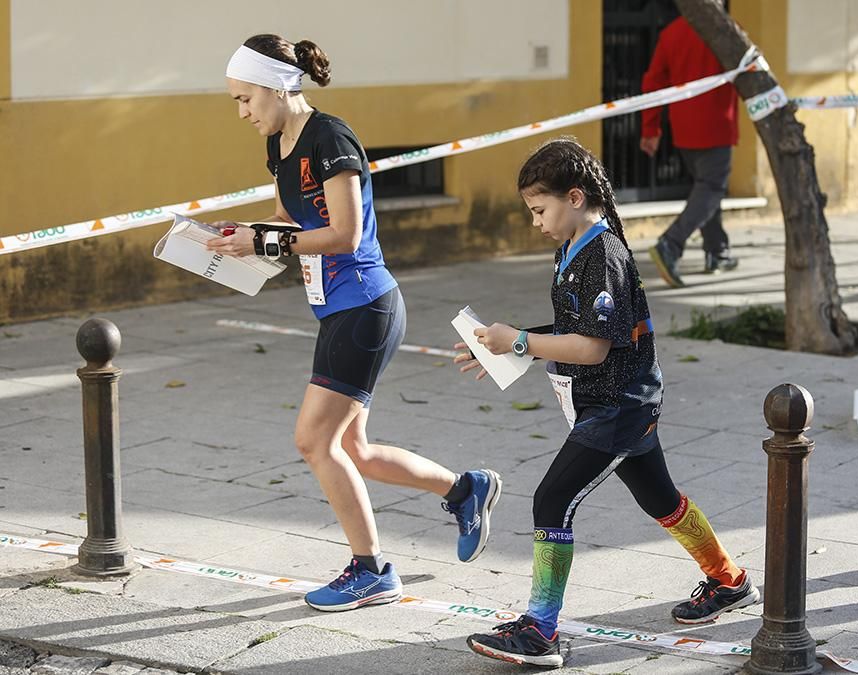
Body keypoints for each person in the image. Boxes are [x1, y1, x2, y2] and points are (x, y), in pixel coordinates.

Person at [206, 34, 501, 612]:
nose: (242, 112)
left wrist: (264, 239)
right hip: (338, 310)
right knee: (354, 449)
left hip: (365, 305)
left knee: (313, 440)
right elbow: (290, 219)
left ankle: (371, 570)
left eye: (246, 99)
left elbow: (343, 232)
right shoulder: (280, 145)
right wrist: (236, 237)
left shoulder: (330, 137)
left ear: (278, 87)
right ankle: (466, 489)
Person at [453, 137, 759, 668]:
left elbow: (593, 348)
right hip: (612, 404)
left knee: (551, 501)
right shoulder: (570, 247)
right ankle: (729, 581)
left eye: (539, 209)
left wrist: (521, 342)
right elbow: (578, 329)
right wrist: (507, 351)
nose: (536, 222)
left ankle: (540, 633)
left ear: (574, 197)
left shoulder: (605, 254)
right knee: (661, 500)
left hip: (618, 407)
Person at [641, 12, 740, 288]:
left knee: (706, 188)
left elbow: (653, 81)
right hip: (717, 126)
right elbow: (749, 71)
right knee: (711, 188)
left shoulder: (672, 32)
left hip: (683, 130)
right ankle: (670, 245)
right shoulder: (726, 29)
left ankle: (717, 251)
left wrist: (651, 128)